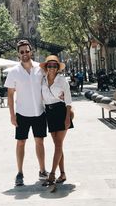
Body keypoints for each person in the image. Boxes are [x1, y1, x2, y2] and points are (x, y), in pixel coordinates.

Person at [4, 39, 48, 186]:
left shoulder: (40, 69)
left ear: (31, 52)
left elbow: (49, 85)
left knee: (40, 142)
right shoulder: (13, 72)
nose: (25, 54)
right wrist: (12, 114)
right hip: (22, 113)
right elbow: (10, 95)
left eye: (27, 51)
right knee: (21, 143)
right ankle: (20, 173)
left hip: (39, 112)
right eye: (22, 52)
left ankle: (42, 171)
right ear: (18, 54)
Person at [40, 55, 74, 186]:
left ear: (58, 68)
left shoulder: (62, 81)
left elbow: (68, 100)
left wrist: (67, 118)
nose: (52, 68)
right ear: (46, 67)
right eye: (50, 65)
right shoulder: (42, 80)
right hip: (49, 112)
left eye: (55, 66)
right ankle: (63, 173)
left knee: (58, 145)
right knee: (57, 146)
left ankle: (52, 174)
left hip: (61, 112)